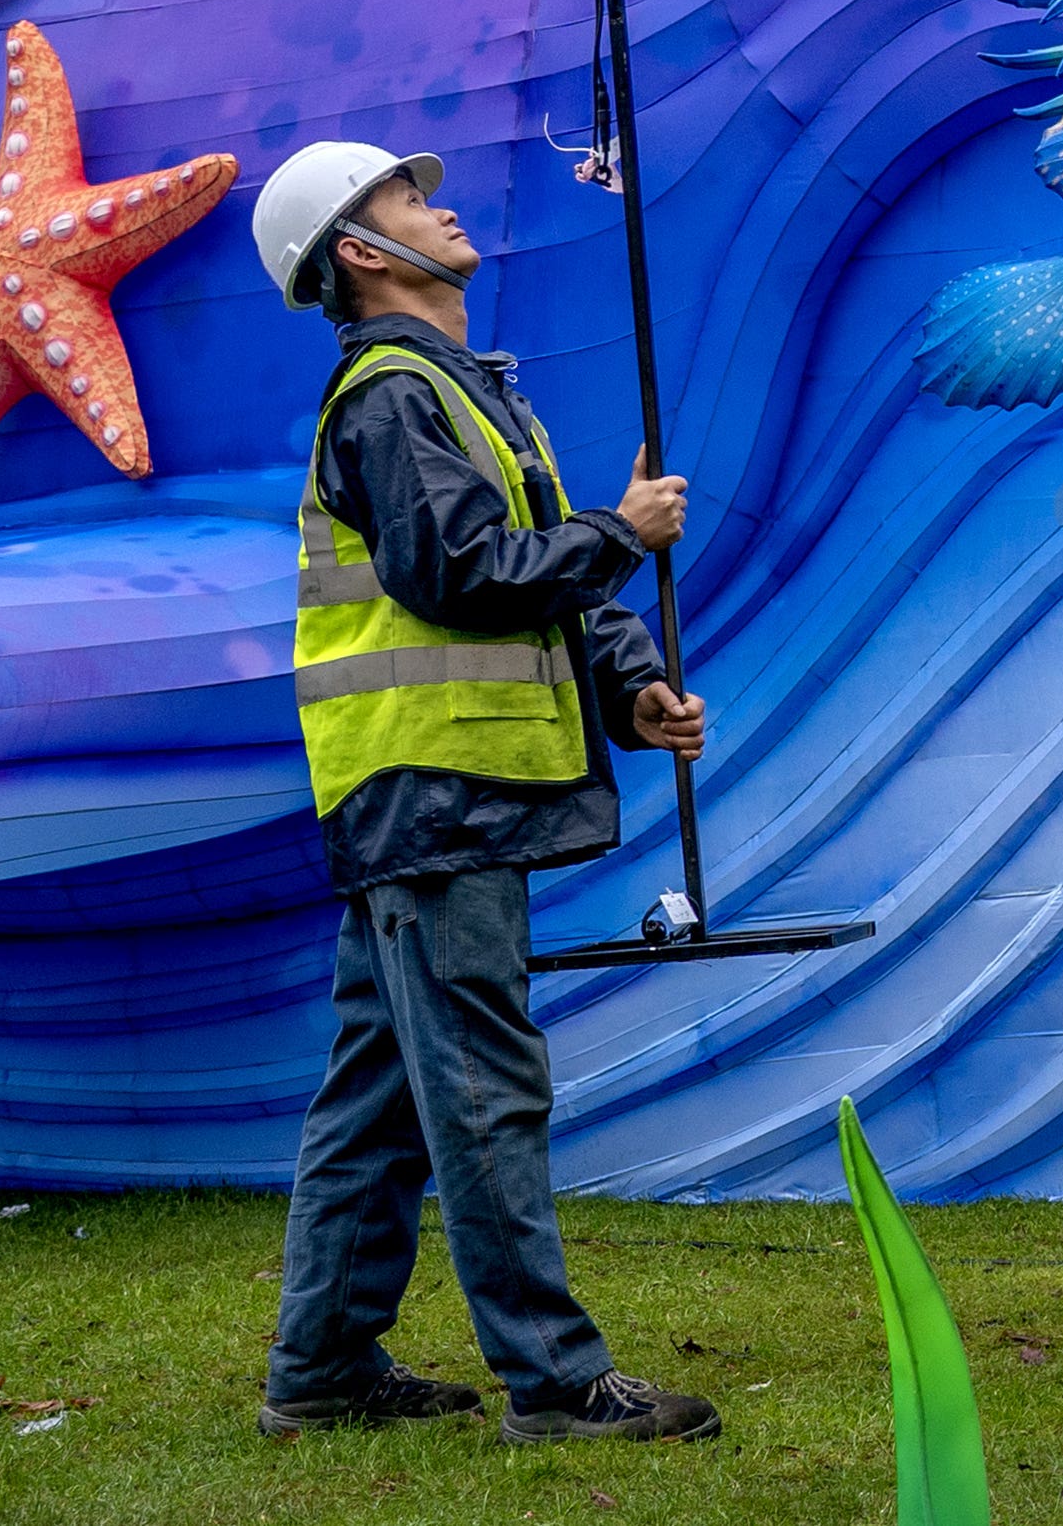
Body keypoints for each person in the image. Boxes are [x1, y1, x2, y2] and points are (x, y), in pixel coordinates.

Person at [243, 140, 722, 1448]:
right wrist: (622, 532)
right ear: (360, 248)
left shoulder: (461, 394)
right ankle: (556, 1384)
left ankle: (323, 1369)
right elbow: (460, 570)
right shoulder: (390, 397)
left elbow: (542, 575)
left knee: (383, 1097)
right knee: (478, 1090)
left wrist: (631, 687)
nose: (440, 205)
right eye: (407, 197)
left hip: (428, 800)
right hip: (436, 799)